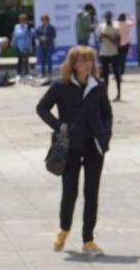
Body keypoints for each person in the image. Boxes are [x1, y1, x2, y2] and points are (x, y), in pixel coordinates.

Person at [36, 46, 113, 256]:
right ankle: (63, 229)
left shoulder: (98, 86)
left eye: (89, 60)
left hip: (93, 147)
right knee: (69, 192)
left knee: (91, 193)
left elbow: (107, 114)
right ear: (72, 64)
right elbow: (41, 107)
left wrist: (104, 137)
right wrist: (58, 125)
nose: (86, 64)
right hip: (69, 147)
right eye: (82, 60)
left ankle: (88, 239)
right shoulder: (61, 86)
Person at [97, 12, 121, 101]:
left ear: (111, 17)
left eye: (109, 17)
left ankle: (119, 94)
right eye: (106, 17)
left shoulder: (116, 27)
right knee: (105, 76)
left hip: (113, 53)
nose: (107, 19)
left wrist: (108, 36)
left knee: (116, 73)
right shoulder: (101, 26)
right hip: (103, 53)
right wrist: (100, 37)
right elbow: (99, 41)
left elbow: (118, 43)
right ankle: (105, 95)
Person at [114, 13, 135, 88]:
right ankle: (121, 75)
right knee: (122, 60)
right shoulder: (127, 23)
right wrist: (130, 16)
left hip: (117, 44)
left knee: (116, 60)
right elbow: (134, 22)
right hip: (125, 44)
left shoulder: (116, 23)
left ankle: (116, 74)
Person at [12, 14, 35, 78]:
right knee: (20, 60)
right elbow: (19, 34)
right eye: (21, 20)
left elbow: (32, 35)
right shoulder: (17, 26)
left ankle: (27, 73)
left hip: (27, 46)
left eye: (24, 20)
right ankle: (18, 73)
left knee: (26, 60)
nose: (22, 21)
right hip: (20, 46)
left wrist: (30, 29)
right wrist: (26, 29)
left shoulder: (27, 26)